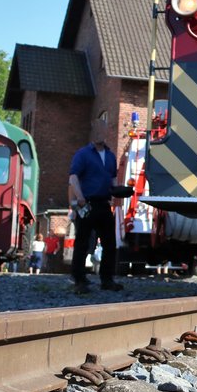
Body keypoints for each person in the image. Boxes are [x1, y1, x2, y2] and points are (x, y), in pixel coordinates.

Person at [68, 121, 123, 294]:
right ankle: (79, 280)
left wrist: (119, 192)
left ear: (106, 132)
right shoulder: (83, 154)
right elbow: (73, 177)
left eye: (103, 130)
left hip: (104, 204)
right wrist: (80, 197)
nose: (100, 134)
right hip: (88, 204)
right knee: (83, 242)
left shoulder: (111, 156)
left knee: (109, 243)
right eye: (97, 130)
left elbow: (112, 180)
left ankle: (107, 280)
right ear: (93, 133)